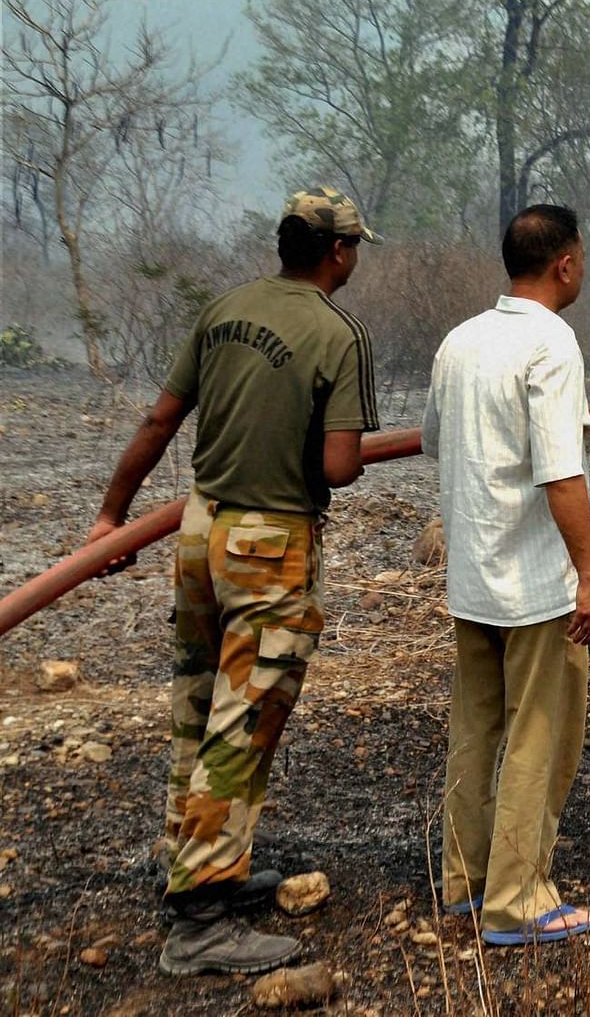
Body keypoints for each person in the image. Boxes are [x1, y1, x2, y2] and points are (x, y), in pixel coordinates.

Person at [88, 187, 381, 976]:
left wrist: (109, 518)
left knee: (196, 704)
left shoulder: (223, 309)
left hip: (199, 529)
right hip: (269, 542)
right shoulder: (337, 334)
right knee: (243, 719)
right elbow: (339, 468)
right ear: (337, 253)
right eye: (355, 248)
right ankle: (200, 920)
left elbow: (159, 421)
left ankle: (192, 861)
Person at [421, 204, 590, 947]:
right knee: (540, 733)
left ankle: (465, 883)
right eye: (582, 259)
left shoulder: (461, 341)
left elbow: (437, 441)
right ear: (565, 263)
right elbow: (561, 472)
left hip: (473, 578)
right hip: (534, 587)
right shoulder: (552, 343)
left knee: (475, 729)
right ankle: (518, 899)